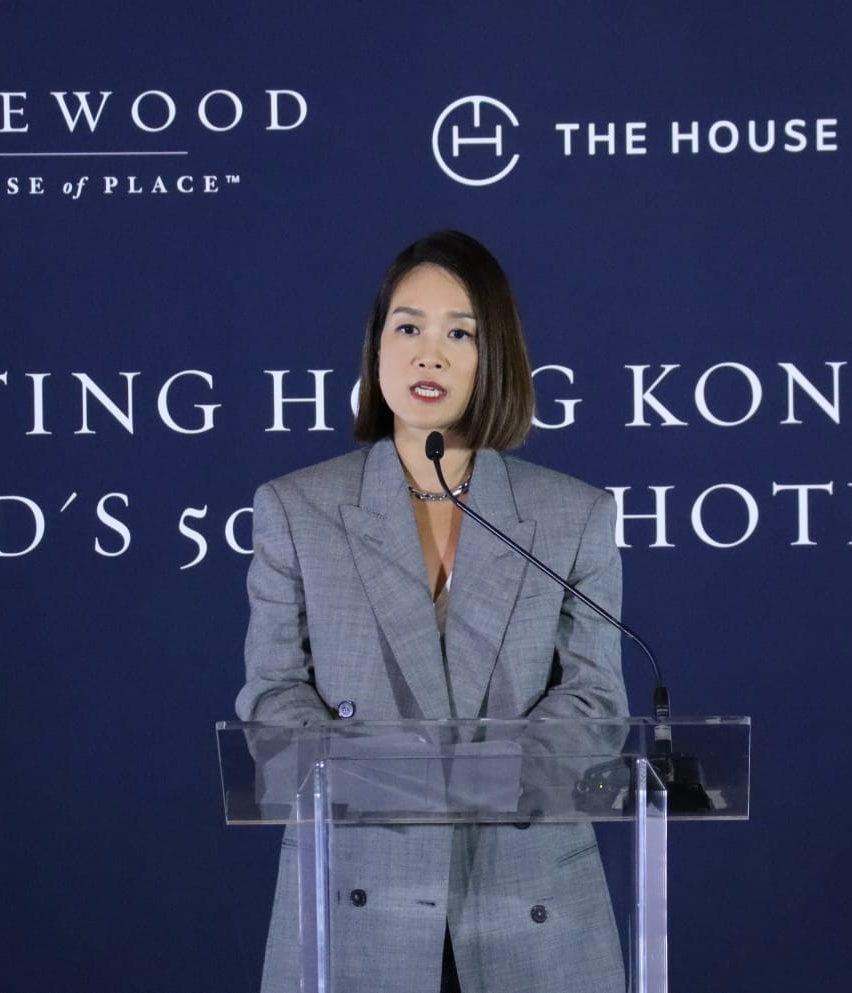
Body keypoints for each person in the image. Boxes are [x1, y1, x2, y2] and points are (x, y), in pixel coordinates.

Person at [236, 230, 628, 993]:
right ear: (376, 346)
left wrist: (485, 777)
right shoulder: (295, 508)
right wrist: (392, 778)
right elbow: (271, 698)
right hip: (359, 893)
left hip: (528, 898)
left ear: (494, 357)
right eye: (408, 327)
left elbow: (596, 700)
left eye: (459, 334)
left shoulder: (573, 513)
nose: (429, 355)